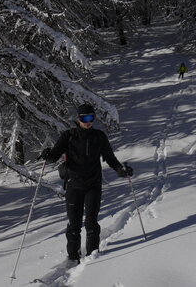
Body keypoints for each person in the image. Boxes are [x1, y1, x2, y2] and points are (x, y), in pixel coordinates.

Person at [40, 103, 133, 263]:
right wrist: (47, 155)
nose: (88, 122)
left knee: (91, 222)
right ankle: (73, 257)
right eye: (84, 118)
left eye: (90, 118)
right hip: (73, 185)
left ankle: (92, 257)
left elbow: (110, 158)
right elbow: (53, 156)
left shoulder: (99, 137)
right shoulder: (69, 136)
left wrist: (120, 170)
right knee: (74, 225)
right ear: (78, 119)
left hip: (93, 184)